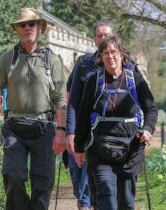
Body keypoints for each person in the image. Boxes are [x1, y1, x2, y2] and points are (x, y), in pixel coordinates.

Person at [0, 7, 67, 210]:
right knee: (12, 175)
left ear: (39, 28)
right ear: (17, 29)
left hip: (44, 128)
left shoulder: (52, 60)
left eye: (31, 24)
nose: (27, 28)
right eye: (22, 25)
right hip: (15, 126)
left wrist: (61, 131)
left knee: (43, 183)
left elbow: (61, 98)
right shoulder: (8, 58)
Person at [74, 34, 157, 210]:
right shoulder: (93, 81)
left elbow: (151, 109)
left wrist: (148, 129)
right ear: (100, 56)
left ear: (121, 54)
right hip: (100, 148)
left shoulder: (135, 80)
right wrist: (79, 147)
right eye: (105, 53)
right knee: (106, 196)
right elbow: (82, 115)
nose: (110, 56)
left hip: (130, 149)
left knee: (126, 202)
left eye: (113, 52)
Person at [65, 22, 115, 210]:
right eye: (99, 36)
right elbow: (73, 100)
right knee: (79, 178)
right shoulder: (83, 64)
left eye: (107, 35)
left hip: (107, 134)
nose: (103, 39)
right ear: (94, 40)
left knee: (97, 181)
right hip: (82, 130)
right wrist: (70, 131)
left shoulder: (122, 63)